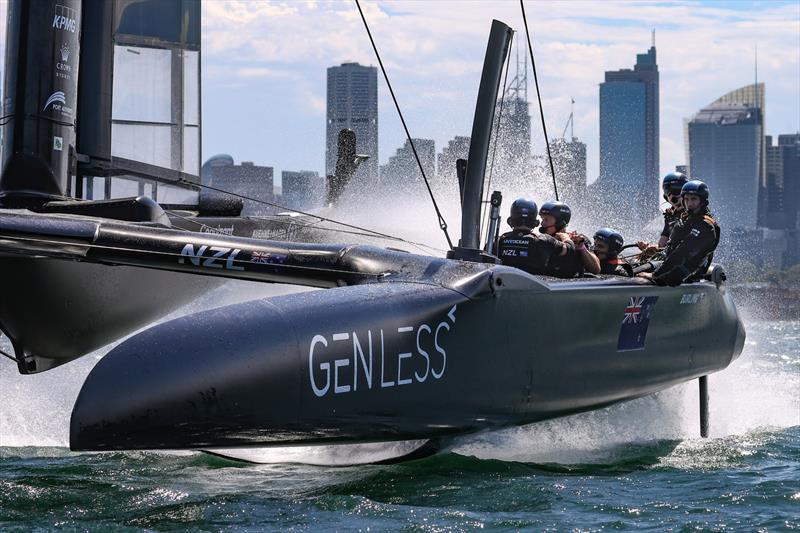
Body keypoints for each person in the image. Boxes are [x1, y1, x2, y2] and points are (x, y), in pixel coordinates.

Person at [637, 180, 720, 286]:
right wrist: (654, 251)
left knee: (639, 275)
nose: (689, 203)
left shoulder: (705, 225)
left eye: (693, 199)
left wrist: (655, 275)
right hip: (671, 266)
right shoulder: (687, 220)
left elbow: (682, 252)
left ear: (702, 201)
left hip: (684, 274)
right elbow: (671, 247)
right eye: (686, 199)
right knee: (635, 269)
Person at [496, 198, 577, 278]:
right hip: (533, 288)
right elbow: (570, 250)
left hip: (503, 286)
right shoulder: (544, 240)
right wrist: (565, 238)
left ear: (510, 221)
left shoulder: (497, 241)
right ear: (536, 223)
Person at [538, 201, 601, 275]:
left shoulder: (578, 240)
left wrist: (581, 247)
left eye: (546, 220)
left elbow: (596, 269)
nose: (542, 224)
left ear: (560, 222)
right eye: (542, 219)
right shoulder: (541, 239)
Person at [637, 171, 689, 256]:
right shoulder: (670, 216)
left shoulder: (696, 216)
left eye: (676, 191)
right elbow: (661, 245)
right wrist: (649, 248)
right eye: (668, 192)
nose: (673, 197)